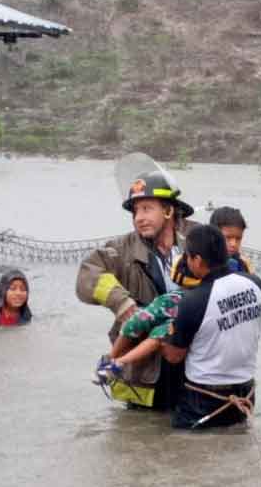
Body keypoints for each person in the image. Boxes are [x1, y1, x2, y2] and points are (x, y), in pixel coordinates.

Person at [77, 169, 197, 409]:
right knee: (138, 438)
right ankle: (109, 366)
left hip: (193, 366)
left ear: (168, 210)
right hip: (144, 377)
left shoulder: (196, 238)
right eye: (135, 211)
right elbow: (87, 275)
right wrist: (121, 303)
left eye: (147, 208)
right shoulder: (121, 250)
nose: (139, 217)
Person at [160, 224, 261, 429]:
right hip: (245, 395)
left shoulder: (193, 301)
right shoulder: (257, 284)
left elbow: (174, 356)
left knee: (185, 452)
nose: (186, 261)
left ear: (197, 260)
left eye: (188, 257)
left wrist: (159, 336)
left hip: (203, 401)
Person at [209, 206, 253, 273]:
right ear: (213, 236)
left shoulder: (244, 265)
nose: (233, 244)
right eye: (228, 238)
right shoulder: (200, 265)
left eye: (238, 238)